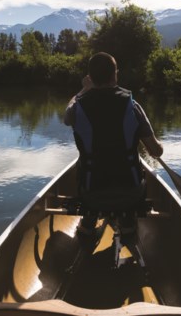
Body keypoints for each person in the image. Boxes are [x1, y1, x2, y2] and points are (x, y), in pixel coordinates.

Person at [64, 52, 163, 241]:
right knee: (138, 173)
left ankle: (88, 222)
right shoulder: (133, 106)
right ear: (115, 75)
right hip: (131, 194)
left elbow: (66, 117)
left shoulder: (77, 108)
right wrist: (160, 145)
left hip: (90, 193)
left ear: (90, 78)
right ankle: (127, 223)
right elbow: (156, 152)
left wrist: (82, 91)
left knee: (82, 167)